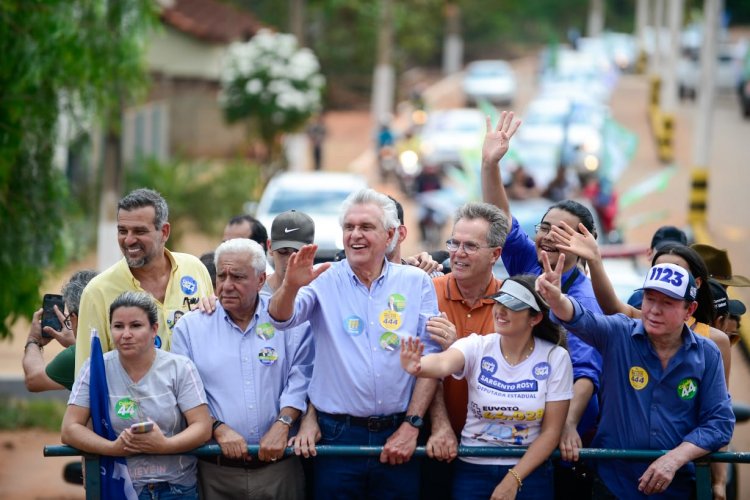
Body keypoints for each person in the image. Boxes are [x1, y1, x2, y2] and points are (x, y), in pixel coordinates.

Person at [269, 188, 441, 498]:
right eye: (349, 227)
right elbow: (282, 318)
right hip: (338, 437)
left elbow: (431, 359)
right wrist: (291, 286)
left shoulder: (417, 282)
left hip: (398, 432)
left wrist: (412, 425)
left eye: (365, 227)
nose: (354, 235)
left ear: (390, 234)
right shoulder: (322, 278)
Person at [536, 258, 735, 498]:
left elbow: (719, 423)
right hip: (613, 486)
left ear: (689, 310)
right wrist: (557, 300)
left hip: (677, 488)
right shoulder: (618, 332)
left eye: (668, 302)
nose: (654, 310)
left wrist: (674, 458)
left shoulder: (708, 353)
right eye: (650, 298)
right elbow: (581, 319)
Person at [482, 111, 602, 498]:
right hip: (516, 436)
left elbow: (585, 373)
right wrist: (490, 164)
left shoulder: (586, 300)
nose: (547, 238)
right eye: (544, 228)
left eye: (560, 232)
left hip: (563, 449)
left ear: (584, 241)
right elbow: (500, 218)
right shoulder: (529, 265)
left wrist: (566, 426)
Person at [401, 275, 573, 500]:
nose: (500, 311)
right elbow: (443, 362)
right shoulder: (477, 345)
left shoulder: (555, 357)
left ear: (535, 318)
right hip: (473, 468)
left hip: (530, 471)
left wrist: (513, 479)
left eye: (512, 306)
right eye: (499, 302)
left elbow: (551, 432)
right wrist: (418, 366)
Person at [172, 238, 313, 499]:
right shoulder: (190, 328)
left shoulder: (291, 323)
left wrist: (283, 424)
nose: (226, 285)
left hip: (279, 469)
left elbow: (301, 375)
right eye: (221, 275)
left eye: (237, 276)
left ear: (261, 280)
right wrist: (218, 428)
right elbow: (185, 392)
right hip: (215, 470)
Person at [62, 291, 212, 499]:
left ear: (154, 329)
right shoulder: (96, 369)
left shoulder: (179, 368)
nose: (126, 334)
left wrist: (164, 446)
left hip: (176, 487)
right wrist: (113, 448)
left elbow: (202, 427)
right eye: (118, 326)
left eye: (135, 325)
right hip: (120, 488)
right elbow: (70, 428)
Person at [420, 201, 509, 497]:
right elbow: (418, 366)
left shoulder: (512, 304)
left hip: (494, 450)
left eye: (470, 246)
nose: (457, 253)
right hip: (433, 441)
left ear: (495, 254)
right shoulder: (426, 291)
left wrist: (458, 349)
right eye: (454, 243)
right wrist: (440, 424)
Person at [75, 188, 213, 374]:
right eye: (122, 231)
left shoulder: (194, 269)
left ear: (164, 232)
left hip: (196, 401)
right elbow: (87, 375)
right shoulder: (97, 291)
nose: (129, 240)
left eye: (139, 231)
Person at [24, 270, 97, 392]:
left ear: (74, 317)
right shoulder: (119, 339)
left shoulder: (75, 355)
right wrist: (74, 343)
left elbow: (33, 380)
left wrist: (33, 340)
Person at [265, 210, 315, 294]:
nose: (290, 260)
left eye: (298, 253)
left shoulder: (318, 292)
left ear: (312, 251)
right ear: (270, 247)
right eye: (283, 251)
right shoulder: (254, 292)